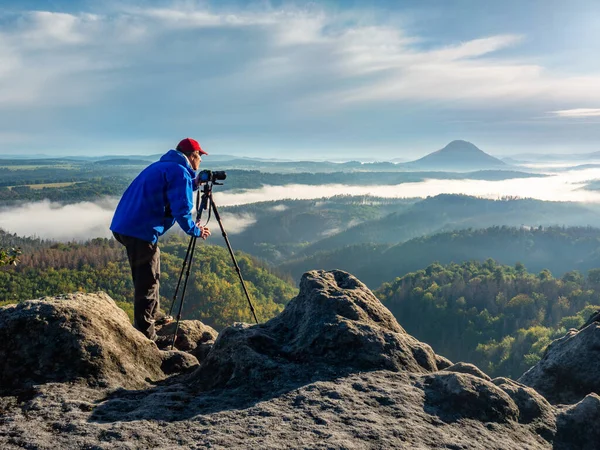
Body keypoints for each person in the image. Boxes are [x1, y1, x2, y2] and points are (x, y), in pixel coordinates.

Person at [111, 138, 211, 345]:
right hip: (140, 231)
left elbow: (171, 191)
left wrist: (194, 183)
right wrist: (195, 230)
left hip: (126, 226)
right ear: (193, 156)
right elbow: (182, 210)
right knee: (147, 281)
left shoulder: (163, 167)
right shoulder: (180, 172)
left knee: (150, 273)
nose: (201, 160)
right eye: (200, 156)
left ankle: (151, 319)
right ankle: (147, 336)